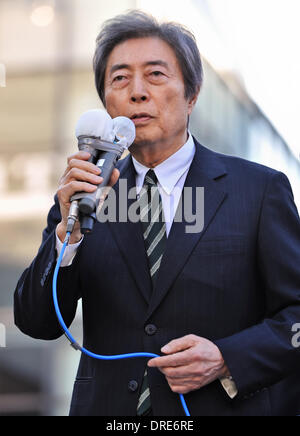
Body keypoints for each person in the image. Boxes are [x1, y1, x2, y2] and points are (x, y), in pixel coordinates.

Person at [14, 10, 300, 416]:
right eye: (119, 79)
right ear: (107, 104)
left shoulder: (258, 190)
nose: (137, 92)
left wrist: (226, 358)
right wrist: (68, 234)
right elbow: (34, 321)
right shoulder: (84, 194)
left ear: (192, 94)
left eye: (156, 75)